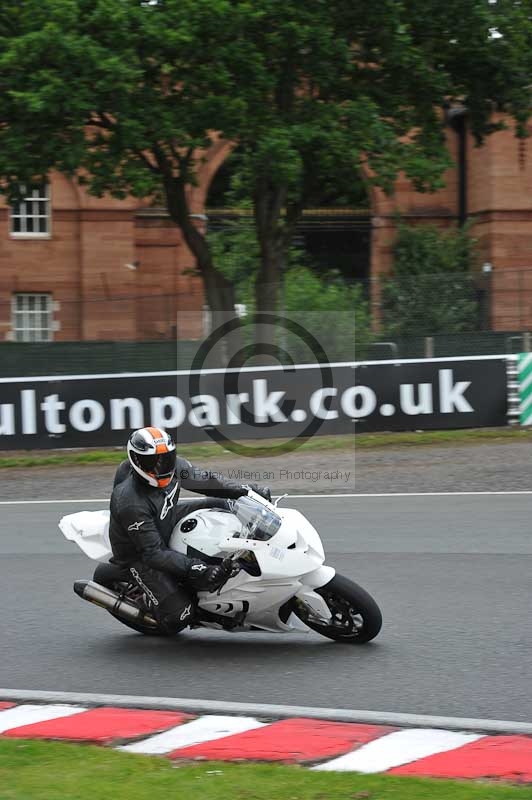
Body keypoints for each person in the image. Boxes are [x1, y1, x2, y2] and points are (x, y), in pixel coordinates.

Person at [98, 426, 271, 635]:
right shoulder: (129, 501)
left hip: (165, 516)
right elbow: (154, 553)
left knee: (221, 502)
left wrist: (246, 491)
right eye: (153, 462)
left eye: (166, 458)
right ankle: (154, 605)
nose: (161, 467)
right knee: (180, 616)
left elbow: (208, 481)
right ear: (136, 461)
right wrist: (196, 567)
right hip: (138, 554)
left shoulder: (173, 468)